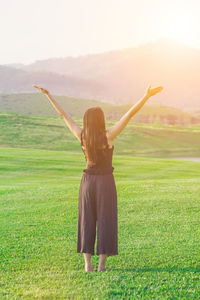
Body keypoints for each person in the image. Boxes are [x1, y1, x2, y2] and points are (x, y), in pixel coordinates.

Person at [33, 84, 163, 272]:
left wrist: (48, 95)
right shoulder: (109, 136)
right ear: (100, 120)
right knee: (105, 219)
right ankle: (101, 265)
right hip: (105, 182)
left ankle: (88, 265)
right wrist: (146, 96)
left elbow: (64, 115)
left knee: (87, 220)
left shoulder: (82, 136)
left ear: (86, 121)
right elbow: (129, 115)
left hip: (87, 182)